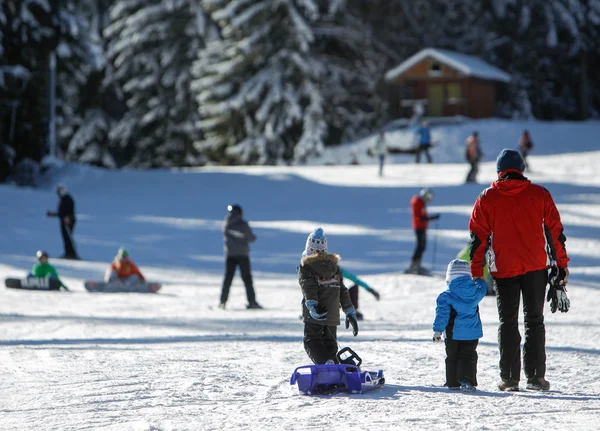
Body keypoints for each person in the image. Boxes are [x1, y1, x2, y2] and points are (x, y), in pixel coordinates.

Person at [469, 148, 570, 392]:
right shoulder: (540, 194)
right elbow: (555, 233)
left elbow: (477, 238)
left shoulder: (487, 197)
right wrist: (562, 267)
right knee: (535, 321)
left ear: (499, 171)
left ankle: (509, 378)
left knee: (508, 322)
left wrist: (476, 271)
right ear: (521, 169)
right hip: (536, 267)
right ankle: (536, 378)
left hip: (503, 269)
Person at [298, 227, 359, 364]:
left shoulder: (306, 267)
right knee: (330, 345)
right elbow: (342, 290)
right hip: (332, 315)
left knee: (312, 342)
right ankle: (335, 369)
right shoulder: (334, 267)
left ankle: (328, 367)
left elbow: (309, 287)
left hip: (316, 314)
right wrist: (349, 311)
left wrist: (312, 306)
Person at [433, 259, 487, 391]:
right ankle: (467, 379)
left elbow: (442, 315)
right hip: (472, 333)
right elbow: (483, 287)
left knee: (452, 356)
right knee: (469, 355)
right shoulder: (475, 292)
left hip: (453, 333)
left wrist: (437, 331)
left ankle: (452, 382)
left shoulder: (446, 296)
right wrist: (479, 279)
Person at [219, 204, 262, 309]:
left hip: (230, 255)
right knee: (247, 279)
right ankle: (252, 302)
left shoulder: (226, 224)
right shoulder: (243, 224)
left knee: (228, 279)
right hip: (243, 255)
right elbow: (251, 238)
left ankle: (222, 302)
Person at [406, 188, 440, 274]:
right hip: (419, 227)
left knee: (422, 246)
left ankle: (417, 265)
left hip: (422, 227)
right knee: (420, 246)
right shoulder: (418, 202)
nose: (428, 201)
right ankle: (413, 265)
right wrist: (432, 218)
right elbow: (420, 217)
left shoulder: (421, 202)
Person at [46, 184, 79, 260]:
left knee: (68, 237)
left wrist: (68, 218)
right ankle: (68, 253)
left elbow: (70, 211)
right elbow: (61, 212)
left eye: (59, 191)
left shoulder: (68, 199)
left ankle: (72, 254)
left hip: (69, 221)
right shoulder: (62, 199)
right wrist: (53, 214)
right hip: (63, 221)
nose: (58, 193)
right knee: (65, 237)